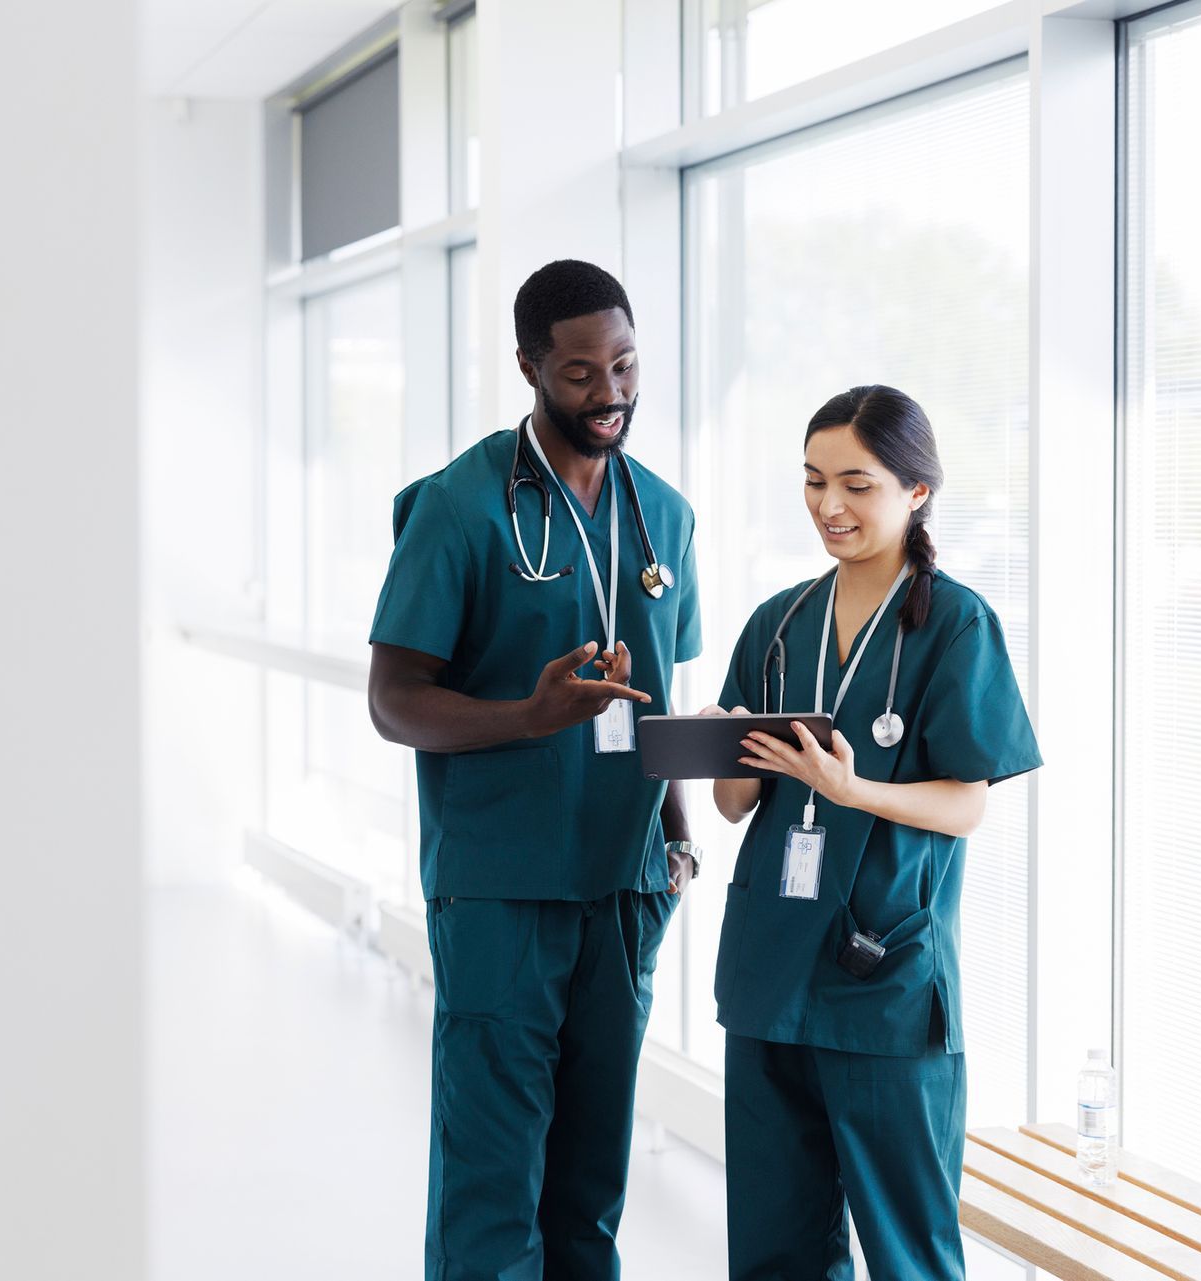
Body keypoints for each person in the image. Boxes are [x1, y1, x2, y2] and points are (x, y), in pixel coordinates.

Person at [367, 259, 705, 1281]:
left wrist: (679, 842)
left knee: (592, 1184)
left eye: (626, 365)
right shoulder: (462, 507)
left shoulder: (666, 518)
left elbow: (658, 698)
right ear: (528, 367)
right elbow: (393, 700)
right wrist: (529, 715)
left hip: (623, 884)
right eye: (579, 373)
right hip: (502, 890)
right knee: (491, 1178)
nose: (610, 393)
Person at [702, 385, 1041, 1280]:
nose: (829, 506)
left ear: (917, 491)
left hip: (882, 978)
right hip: (772, 970)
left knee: (907, 1249)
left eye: (857, 483)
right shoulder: (777, 624)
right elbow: (735, 806)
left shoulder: (956, 624)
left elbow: (968, 804)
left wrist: (853, 790)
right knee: (775, 1248)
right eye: (813, 482)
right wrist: (719, 747)